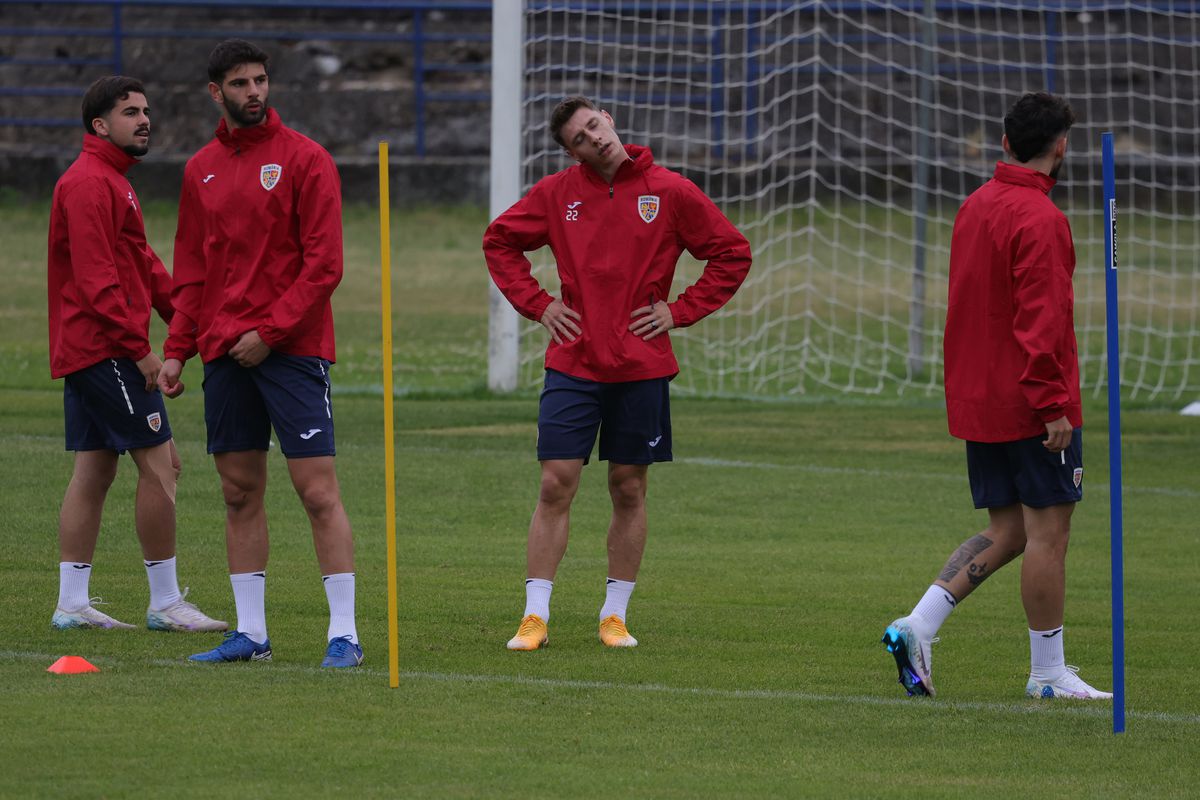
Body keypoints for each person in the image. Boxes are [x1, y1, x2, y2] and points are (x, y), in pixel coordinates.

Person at [483, 95, 752, 651]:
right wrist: (540, 304)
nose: (593, 138)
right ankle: (535, 616)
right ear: (572, 153)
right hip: (574, 360)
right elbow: (500, 241)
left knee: (628, 486)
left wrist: (679, 310)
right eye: (579, 139)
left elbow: (731, 252)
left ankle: (614, 616)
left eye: (593, 125)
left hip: (640, 364)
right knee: (555, 482)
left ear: (608, 118)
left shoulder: (670, 191)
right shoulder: (557, 194)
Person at [883, 92, 1111, 700]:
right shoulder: (1042, 218)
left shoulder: (976, 204)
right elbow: (1042, 320)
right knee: (1048, 534)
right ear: (1061, 147)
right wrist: (1052, 403)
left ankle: (918, 625)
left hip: (979, 396)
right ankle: (1047, 673)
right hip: (1029, 400)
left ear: (1006, 143)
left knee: (1008, 529)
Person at [158, 40, 361, 668]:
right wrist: (177, 350)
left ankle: (345, 636)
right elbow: (193, 272)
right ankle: (251, 634)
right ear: (215, 92)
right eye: (241, 83)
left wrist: (271, 333)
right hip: (224, 354)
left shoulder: (306, 158)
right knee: (238, 492)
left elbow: (325, 264)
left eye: (261, 80)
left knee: (317, 492)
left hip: (292, 350)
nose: (254, 92)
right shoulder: (201, 169)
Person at [46, 75, 227, 634]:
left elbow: (144, 266)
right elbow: (96, 281)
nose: (144, 120)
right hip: (104, 349)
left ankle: (72, 604)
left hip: (95, 348)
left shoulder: (113, 181)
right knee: (163, 465)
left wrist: (190, 324)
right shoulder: (88, 184)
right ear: (100, 125)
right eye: (130, 112)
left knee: (95, 470)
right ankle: (165, 602)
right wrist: (141, 351)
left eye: (146, 111)